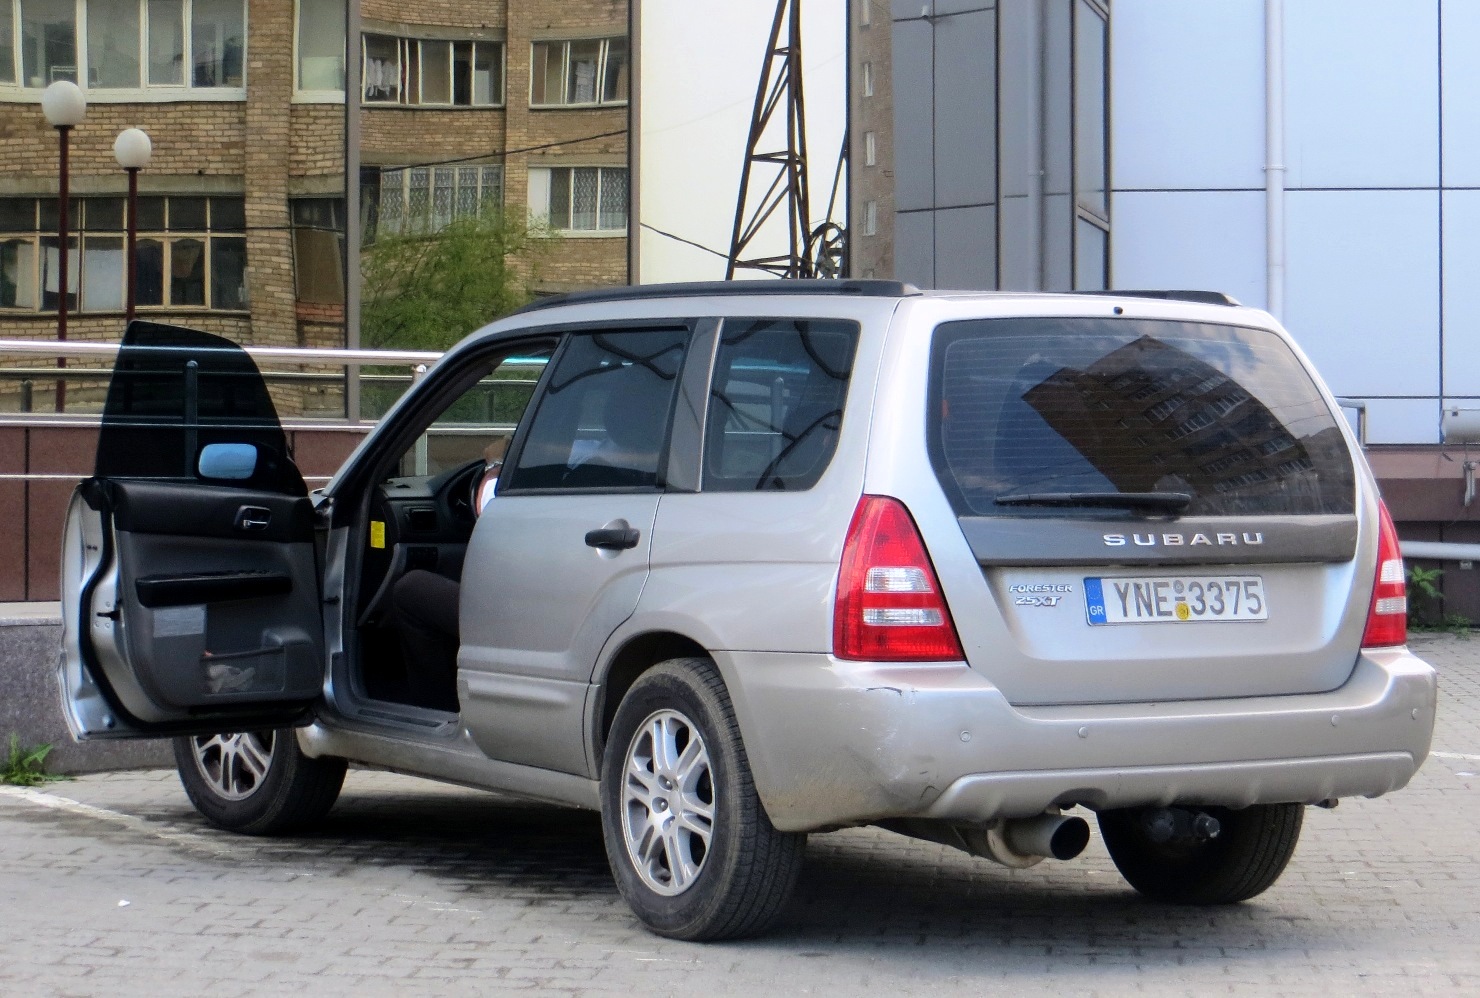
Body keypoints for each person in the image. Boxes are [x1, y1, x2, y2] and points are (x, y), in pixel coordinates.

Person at [389, 436, 508, 711]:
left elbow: (488, 511)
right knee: (447, 569)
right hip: (546, 601)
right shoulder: (589, 464)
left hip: (514, 612)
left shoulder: (548, 466)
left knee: (410, 590)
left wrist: (495, 466)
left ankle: (436, 708)